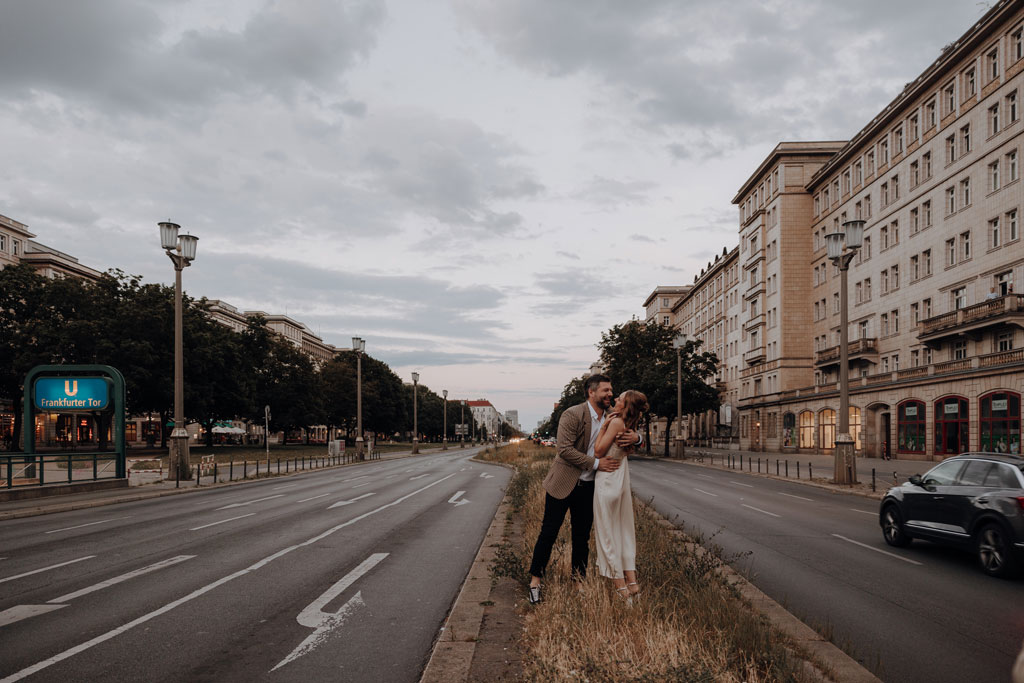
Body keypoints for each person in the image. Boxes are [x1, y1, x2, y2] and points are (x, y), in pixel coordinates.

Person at [527, 374, 641, 604]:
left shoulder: (613, 417)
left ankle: (578, 583)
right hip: (562, 483)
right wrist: (597, 464)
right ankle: (535, 582)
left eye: (611, 390)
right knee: (548, 534)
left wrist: (637, 438)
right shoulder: (573, 414)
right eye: (606, 390)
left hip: (589, 487)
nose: (610, 394)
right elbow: (564, 450)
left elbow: (632, 431)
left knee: (581, 538)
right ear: (592, 392)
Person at [593, 389, 648, 603]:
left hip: (607, 481)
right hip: (620, 481)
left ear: (625, 405)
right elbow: (632, 445)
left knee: (607, 535)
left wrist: (604, 426)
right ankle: (633, 584)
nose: (615, 398)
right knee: (623, 531)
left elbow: (598, 452)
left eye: (620, 398)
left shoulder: (615, 422)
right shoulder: (630, 425)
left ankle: (621, 588)